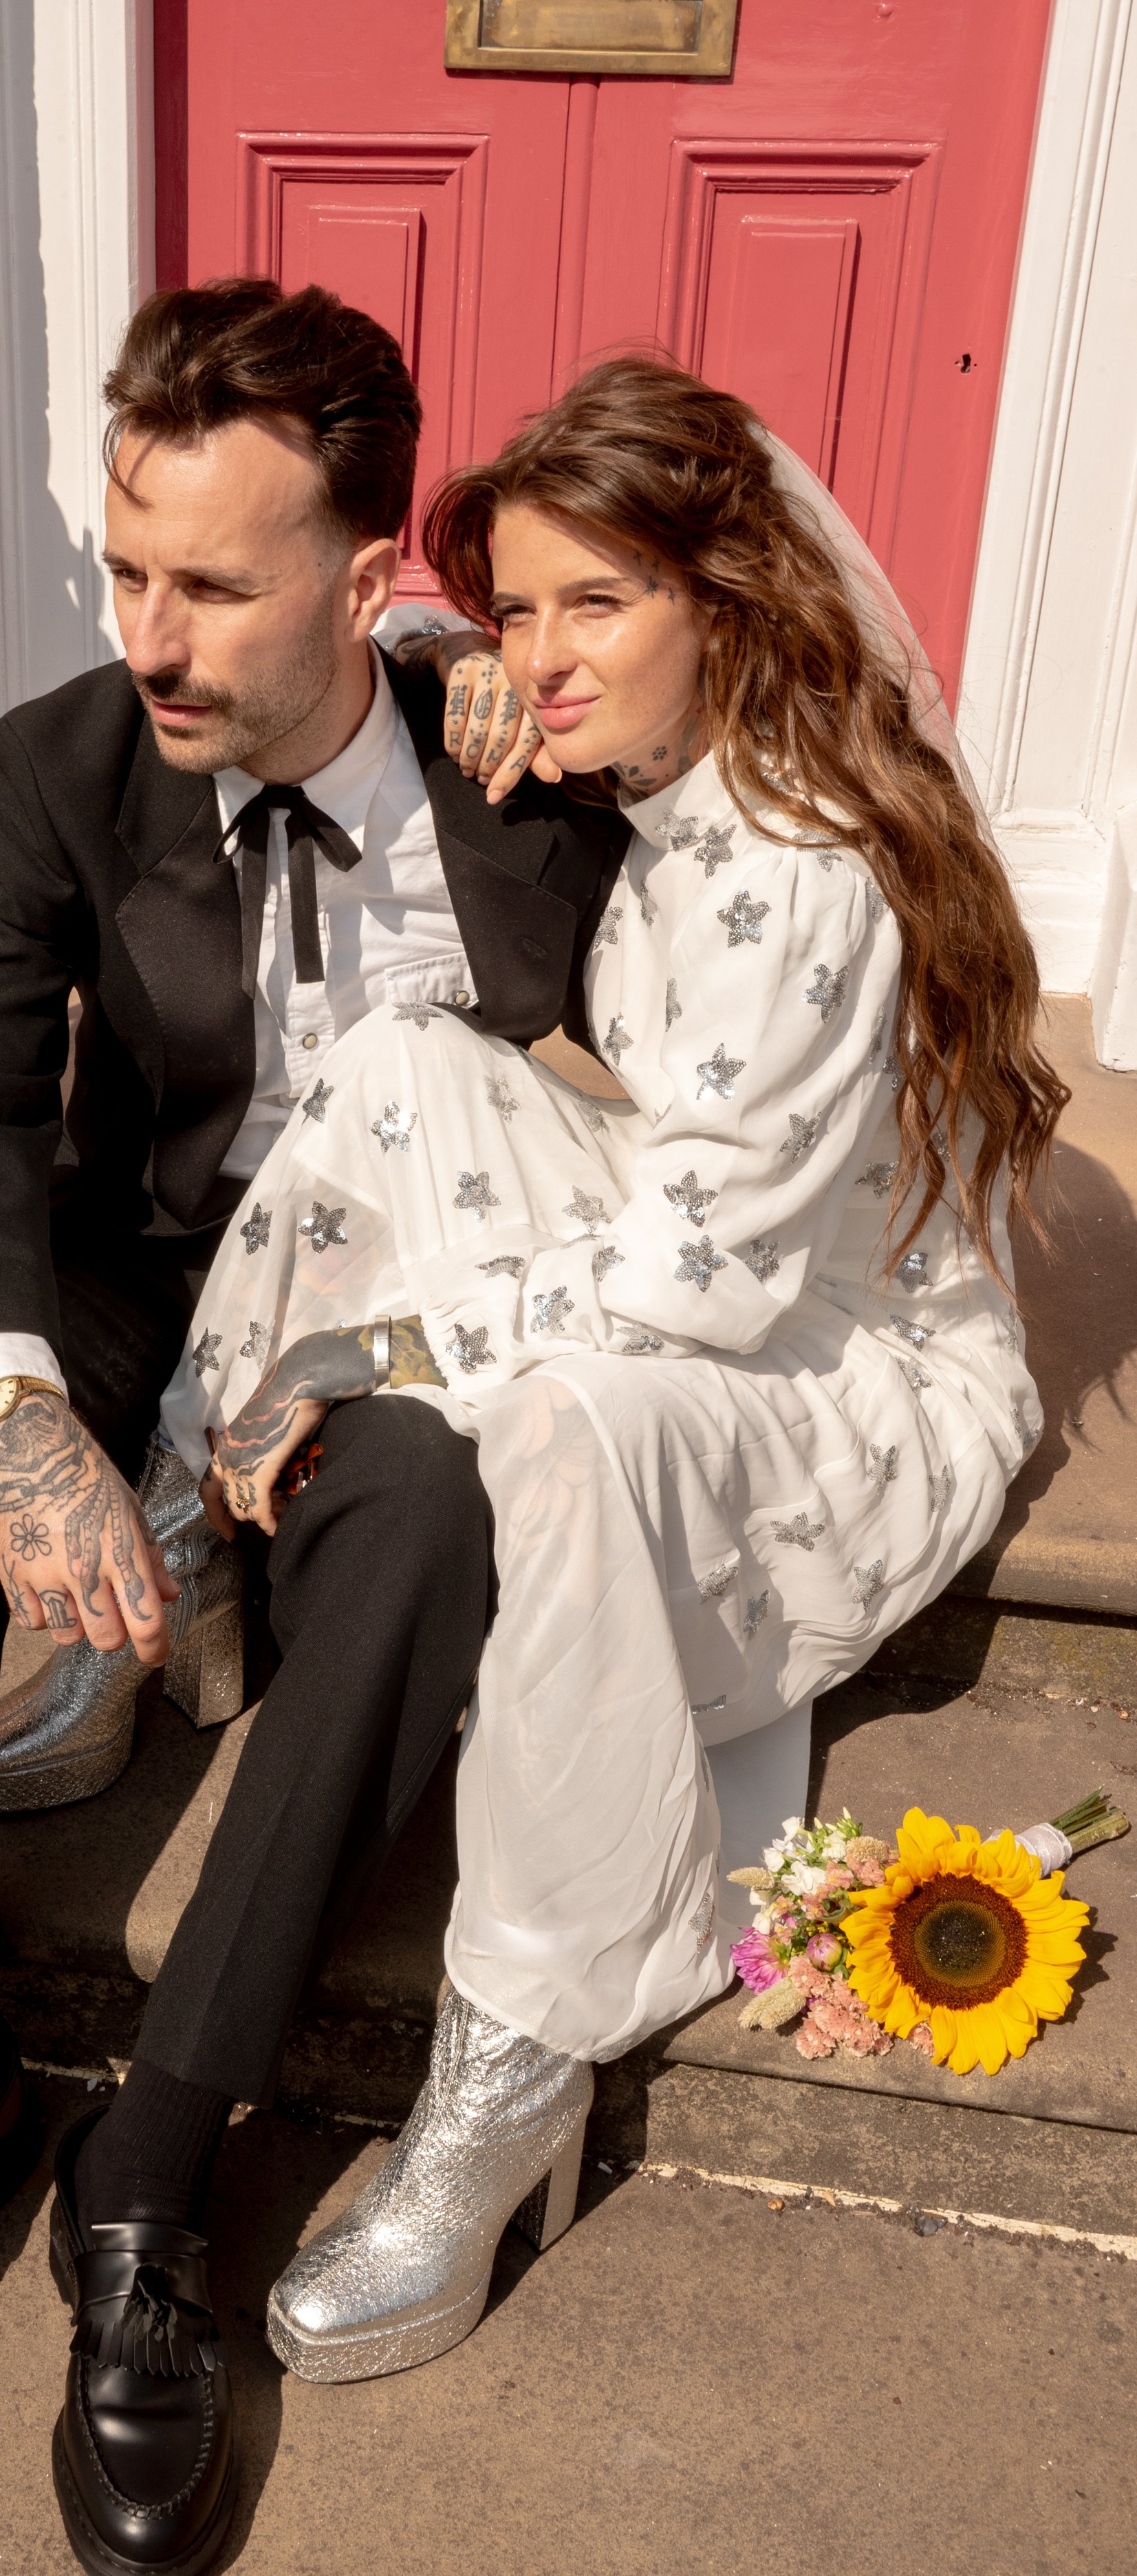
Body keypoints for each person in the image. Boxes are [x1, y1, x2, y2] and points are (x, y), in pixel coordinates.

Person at [0, 279, 627, 2576]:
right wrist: (20, 1414)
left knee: (432, 1497)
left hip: (409, 1321)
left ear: (365, 579)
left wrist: (563, 730)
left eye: (213, 585)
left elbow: (685, 1078)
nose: (150, 632)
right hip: (150, 1284)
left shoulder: (519, 766)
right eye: (124, 566)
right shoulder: (63, 768)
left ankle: (151, 2170)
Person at [160, 354, 1065, 2386]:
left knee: (563, 1415)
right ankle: (179, 1494)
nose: (538, 657)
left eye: (596, 605)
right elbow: (391, 631)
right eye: (520, 608)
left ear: (723, 606)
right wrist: (428, 639)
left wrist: (383, 1342)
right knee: (401, 1053)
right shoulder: (675, 772)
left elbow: (699, 1288)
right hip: (700, 1255)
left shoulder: (800, 869)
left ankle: (514, 2061)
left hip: (839, 1384)